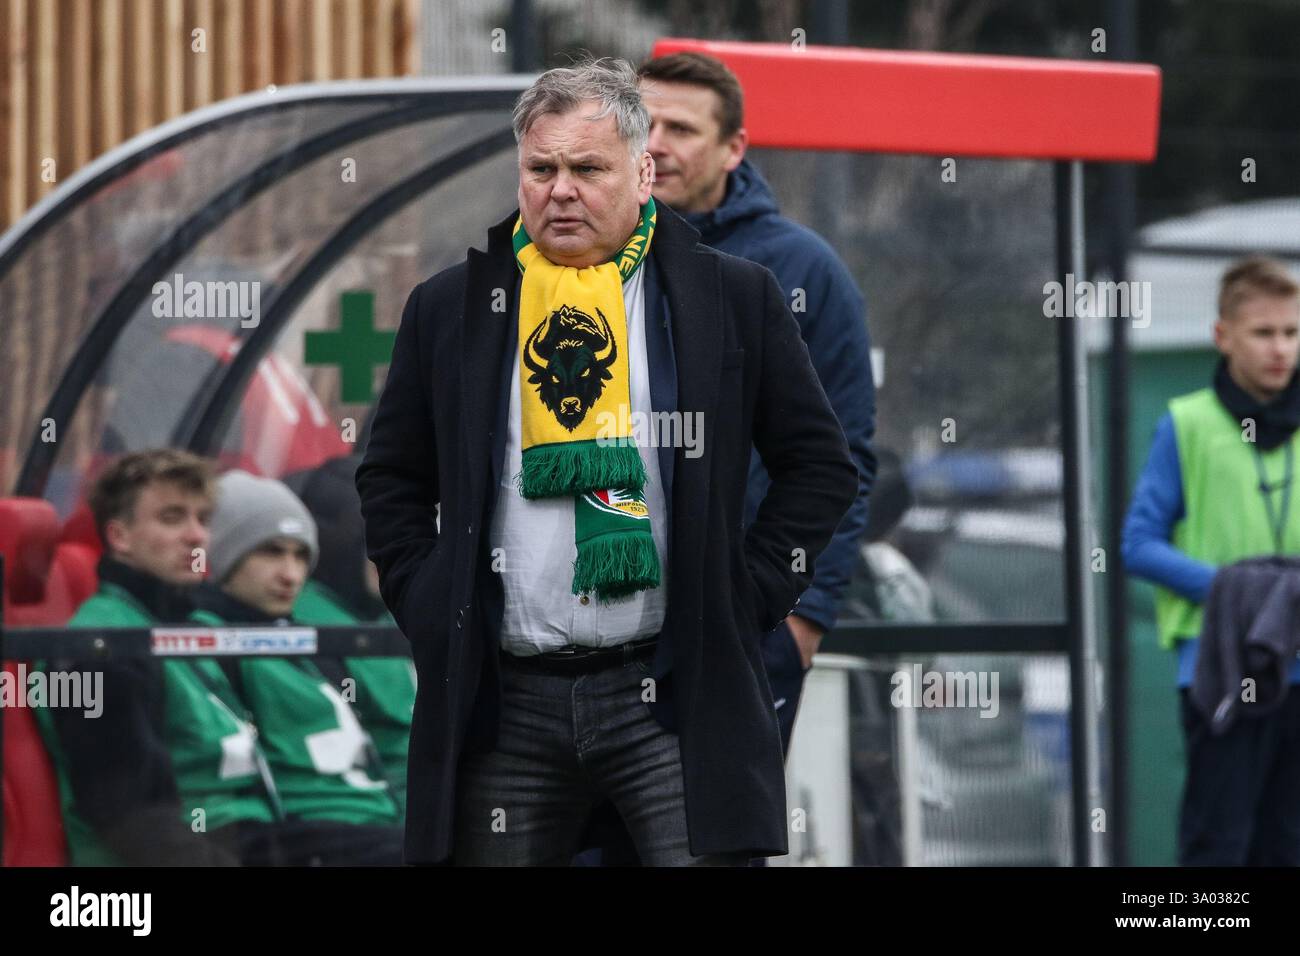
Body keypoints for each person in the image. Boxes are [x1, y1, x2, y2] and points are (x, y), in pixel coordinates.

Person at [356, 56, 858, 866]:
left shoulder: (732, 296)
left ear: (643, 171)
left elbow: (821, 465)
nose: (561, 189)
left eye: (587, 168)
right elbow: (391, 476)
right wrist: (425, 596)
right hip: (503, 698)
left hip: (669, 693)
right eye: (541, 168)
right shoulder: (451, 307)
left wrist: (745, 595)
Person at [638, 50, 876, 749]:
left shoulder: (803, 271)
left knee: (714, 845)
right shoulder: (588, 258)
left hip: (743, 625)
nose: (655, 144)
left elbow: (843, 458)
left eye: (680, 129)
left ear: (733, 148)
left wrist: (799, 618)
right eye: (642, 123)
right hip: (600, 623)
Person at [1122, 255, 1300, 866]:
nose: (1280, 349)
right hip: (1218, 668)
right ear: (1223, 336)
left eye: (1291, 332)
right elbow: (1137, 545)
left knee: (1286, 844)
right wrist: (1237, 591)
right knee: (1217, 846)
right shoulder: (1187, 424)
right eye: (1263, 333)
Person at [37, 449, 270, 865]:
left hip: (237, 839)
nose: (197, 536)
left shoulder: (185, 625)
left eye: (203, 519)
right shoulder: (100, 649)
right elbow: (134, 820)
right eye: (172, 518)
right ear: (120, 536)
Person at [190, 469, 405, 865]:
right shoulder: (209, 642)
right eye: (270, 551)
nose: (290, 574)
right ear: (223, 554)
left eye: (300, 554)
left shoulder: (308, 641)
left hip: (371, 824)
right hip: (305, 835)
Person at [285, 454, 417, 813]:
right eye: (373, 541)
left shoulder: (397, 611)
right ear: (341, 543)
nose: (390, 554)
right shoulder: (304, 624)